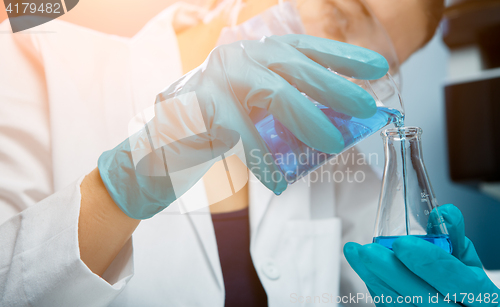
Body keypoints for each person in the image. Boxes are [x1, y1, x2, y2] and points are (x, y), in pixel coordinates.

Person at [0, 0, 445, 306]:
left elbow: (384, 285)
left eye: (374, 58)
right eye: (341, 13)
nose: (342, 59)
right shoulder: (35, 59)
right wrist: (124, 187)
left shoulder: (332, 164)